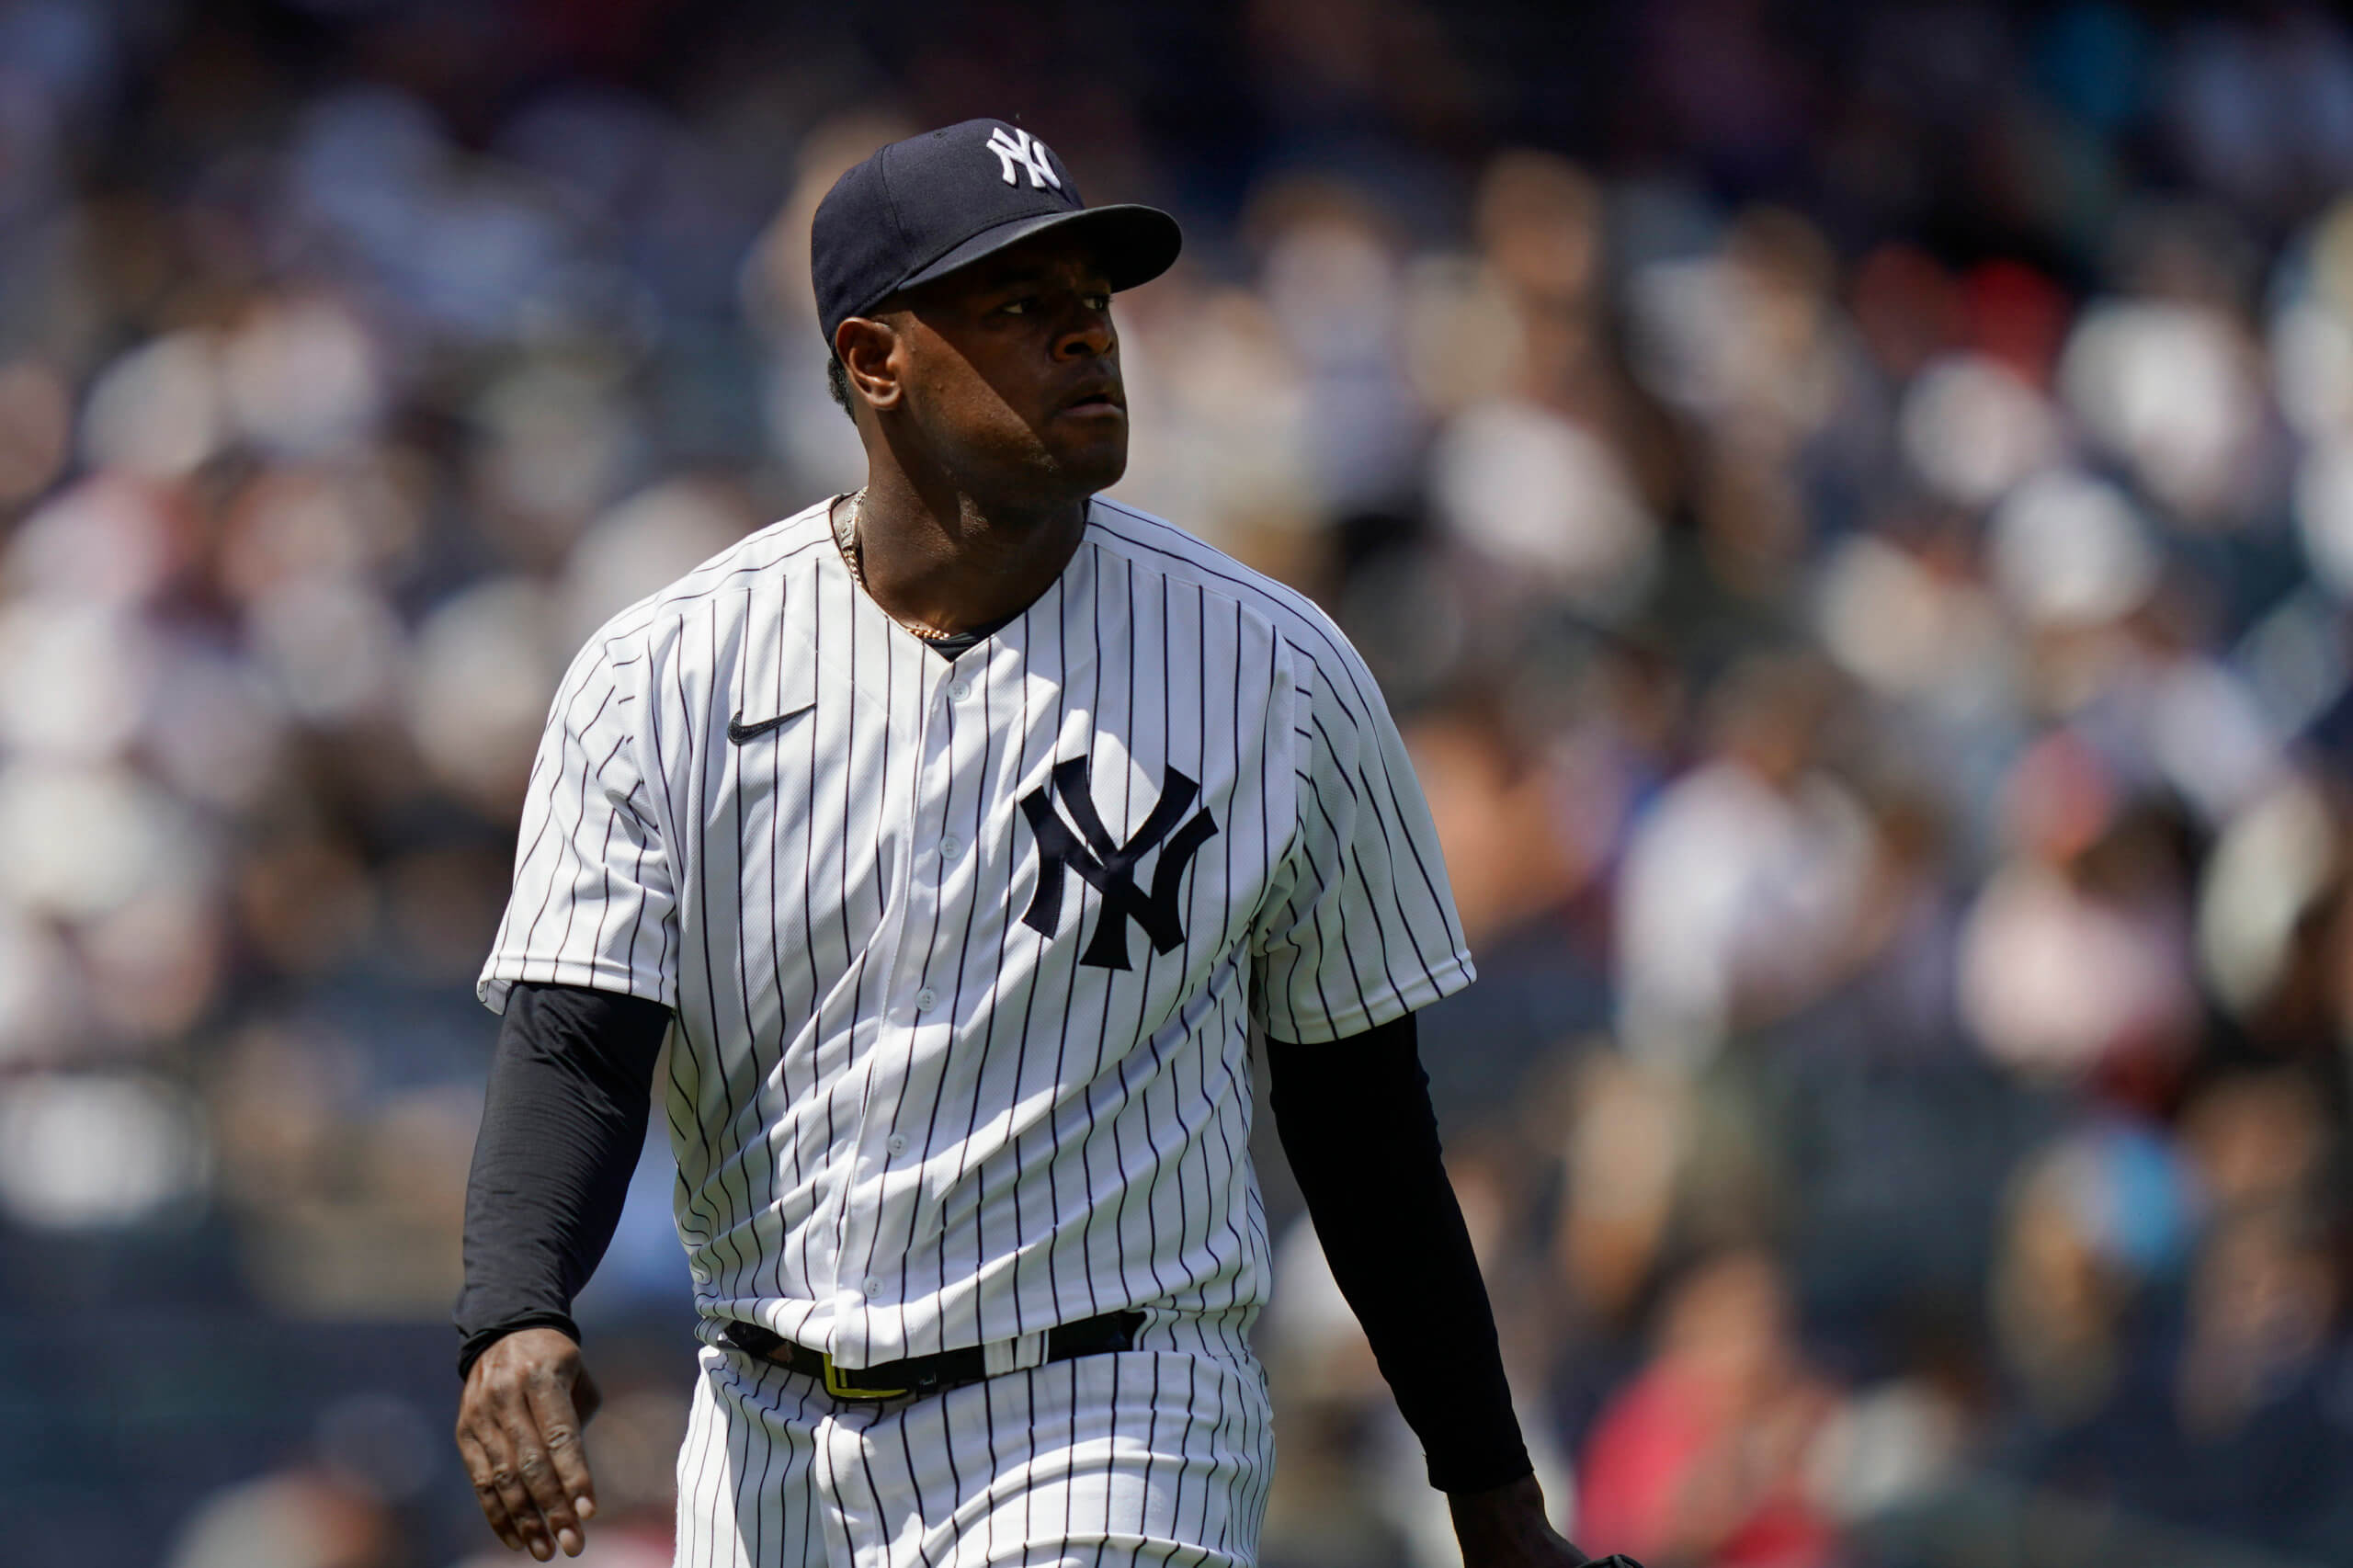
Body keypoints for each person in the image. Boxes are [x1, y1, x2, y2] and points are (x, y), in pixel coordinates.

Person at [449, 116, 1641, 1568]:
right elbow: (578, 1046)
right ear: (873, 358)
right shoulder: (666, 676)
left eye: (1093, 299)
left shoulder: (1276, 669)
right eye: (1021, 306)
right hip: (763, 1439)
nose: (1087, 336)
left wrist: (1496, 1501)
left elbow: (1365, 1127)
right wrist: (516, 1305)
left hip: (1119, 1411)